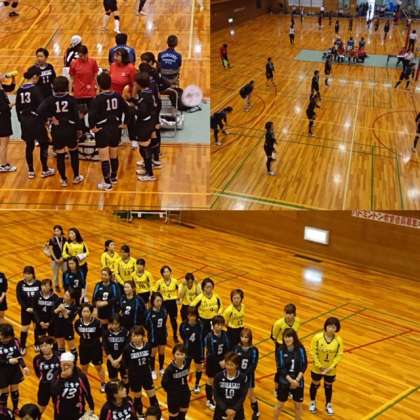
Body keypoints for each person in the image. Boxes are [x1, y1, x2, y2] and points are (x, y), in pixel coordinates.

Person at [37, 76, 84, 187]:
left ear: (54, 87)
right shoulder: (71, 99)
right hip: (70, 129)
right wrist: (79, 129)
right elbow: (77, 117)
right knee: (73, 153)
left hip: (57, 130)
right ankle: (76, 176)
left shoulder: (50, 99)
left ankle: (63, 179)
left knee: (60, 155)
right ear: (66, 86)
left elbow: (39, 110)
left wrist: (50, 117)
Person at [89, 72, 129, 190]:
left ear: (98, 85)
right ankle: (113, 177)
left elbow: (91, 115)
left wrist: (92, 127)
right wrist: (125, 123)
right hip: (115, 128)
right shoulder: (117, 95)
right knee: (114, 154)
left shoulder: (97, 99)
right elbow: (128, 110)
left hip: (102, 130)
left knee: (104, 157)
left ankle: (107, 183)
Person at [16, 66, 54, 179]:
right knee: (44, 144)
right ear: (34, 77)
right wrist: (46, 120)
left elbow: (17, 107)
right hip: (36, 121)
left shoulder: (20, 89)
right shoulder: (35, 89)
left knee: (29, 145)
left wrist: (21, 119)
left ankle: (31, 171)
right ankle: (45, 169)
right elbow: (42, 106)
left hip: (25, 121)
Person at [122, 325, 160, 417]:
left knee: (153, 397)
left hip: (146, 375)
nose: (136, 338)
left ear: (142, 336)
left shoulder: (147, 346)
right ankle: (139, 414)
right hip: (134, 377)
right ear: (131, 337)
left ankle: (156, 415)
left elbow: (150, 358)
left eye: (138, 335)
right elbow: (125, 365)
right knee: (137, 398)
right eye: (134, 336)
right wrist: (127, 376)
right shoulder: (127, 349)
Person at [309, 317, 343, 416]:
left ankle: (328, 404)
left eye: (334, 327)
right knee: (315, 384)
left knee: (328, 386)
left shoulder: (338, 340)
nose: (331, 329)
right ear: (325, 326)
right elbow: (313, 351)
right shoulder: (317, 337)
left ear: (337, 328)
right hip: (317, 368)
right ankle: (312, 402)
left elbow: (339, 355)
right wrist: (319, 365)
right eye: (329, 326)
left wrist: (331, 367)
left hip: (330, 369)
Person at [274, 328, 307, 420]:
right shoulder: (280, 350)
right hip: (284, 381)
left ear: (294, 338)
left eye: (289, 337)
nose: (287, 339)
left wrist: (296, 380)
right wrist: (291, 381)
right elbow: (281, 368)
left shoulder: (300, 348)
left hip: (298, 380)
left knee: (298, 406)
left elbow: (304, 364)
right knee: (279, 405)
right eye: (285, 337)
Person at [51, 352, 94, 420]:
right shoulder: (57, 375)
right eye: (63, 365)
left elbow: (87, 393)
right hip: (61, 413)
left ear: (74, 364)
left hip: (78, 412)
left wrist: (92, 408)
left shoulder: (81, 377)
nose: (66, 367)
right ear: (60, 364)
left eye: (69, 365)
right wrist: (62, 379)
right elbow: (53, 392)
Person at [74, 303, 106, 392]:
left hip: (95, 347)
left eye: (87, 311)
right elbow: (78, 332)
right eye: (84, 311)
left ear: (90, 312)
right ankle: (84, 384)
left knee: (98, 366)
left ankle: (103, 383)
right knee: (84, 367)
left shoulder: (97, 323)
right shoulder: (77, 323)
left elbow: (101, 334)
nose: (85, 313)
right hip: (83, 347)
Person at [133, 72, 159, 182]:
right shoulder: (148, 92)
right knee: (145, 147)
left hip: (144, 124)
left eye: (135, 82)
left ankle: (150, 174)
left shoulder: (145, 96)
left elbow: (141, 112)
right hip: (150, 121)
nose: (134, 84)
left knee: (144, 149)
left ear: (139, 84)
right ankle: (147, 169)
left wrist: (132, 109)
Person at [0, 323, 29, 415]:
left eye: (4, 337)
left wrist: (24, 366)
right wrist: (8, 361)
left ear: (10, 336)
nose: (2, 338)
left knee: (15, 390)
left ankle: (15, 408)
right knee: (4, 392)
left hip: (14, 370)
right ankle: (3, 410)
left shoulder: (15, 341)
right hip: (2, 371)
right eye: (1, 336)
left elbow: (19, 356)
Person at [204, 315, 230, 411]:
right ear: (213, 325)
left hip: (223, 361)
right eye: (217, 325)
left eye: (221, 325)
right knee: (210, 380)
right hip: (212, 362)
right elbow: (210, 353)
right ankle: (209, 400)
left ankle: (219, 397)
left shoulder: (225, 335)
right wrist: (219, 362)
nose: (219, 327)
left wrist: (225, 360)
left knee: (221, 379)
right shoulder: (209, 337)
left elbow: (228, 348)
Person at [233, 328, 259, 420]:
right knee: (238, 395)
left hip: (249, 376)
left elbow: (254, 364)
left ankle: (256, 412)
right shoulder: (237, 348)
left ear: (250, 338)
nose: (244, 339)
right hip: (238, 375)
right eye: (242, 337)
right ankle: (239, 414)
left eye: (246, 337)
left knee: (250, 395)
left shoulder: (254, 350)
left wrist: (245, 374)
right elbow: (234, 361)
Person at [213, 352, 248, 420]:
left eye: (231, 365)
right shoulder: (218, 376)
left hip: (237, 410)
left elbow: (242, 396)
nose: (228, 367)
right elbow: (216, 395)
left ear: (237, 365)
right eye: (227, 364)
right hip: (221, 409)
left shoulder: (242, 378)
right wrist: (225, 409)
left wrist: (234, 409)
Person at [16, 266, 41, 354]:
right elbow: (19, 298)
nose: (26, 276)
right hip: (25, 311)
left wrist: (35, 308)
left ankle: (37, 343)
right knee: (24, 328)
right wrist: (26, 308)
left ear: (33, 274)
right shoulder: (20, 284)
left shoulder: (38, 283)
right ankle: (22, 346)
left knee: (37, 327)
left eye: (29, 274)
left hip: (36, 310)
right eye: (25, 274)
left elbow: (41, 296)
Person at [162, 344, 191, 420]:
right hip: (174, 396)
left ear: (185, 355)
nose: (180, 357)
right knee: (173, 417)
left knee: (182, 415)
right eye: (177, 354)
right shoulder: (170, 369)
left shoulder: (187, 363)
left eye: (182, 354)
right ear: (173, 355)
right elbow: (164, 383)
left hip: (185, 392)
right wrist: (172, 391)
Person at [33, 336, 61, 414]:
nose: (43, 348)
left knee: (58, 408)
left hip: (57, 386)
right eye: (41, 346)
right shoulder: (37, 359)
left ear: (51, 345)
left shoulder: (59, 356)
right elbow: (37, 372)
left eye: (45, 345)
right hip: (44, 386)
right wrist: (43, 379)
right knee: (40, 408)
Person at [179, 307, 204, 394]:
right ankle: (184, 385)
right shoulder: (183, 325)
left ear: (196, 316)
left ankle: (197, 384)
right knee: (186, 368)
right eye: (190, 315)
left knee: (199, 368)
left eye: (194, 315)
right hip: (187, 351)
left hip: (198, 350)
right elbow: (182, 335)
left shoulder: (200, 324)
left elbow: (202, 337)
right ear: (187, 316)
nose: (192, 317)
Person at [145, 292, 168, 380]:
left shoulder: (164, 311)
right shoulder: (149, 313)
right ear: (153, 302)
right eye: (157, 301)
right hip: (153, 336)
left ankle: (161, 368)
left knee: (161, 352)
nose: (159, 303)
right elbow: (146, 324)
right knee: (153, 353)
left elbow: (164, 322)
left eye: (160, 301)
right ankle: (152, 370)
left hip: (162, 335)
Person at [69, 45, 99, 113]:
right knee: (80, 114)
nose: (82, 58)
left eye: (84, 56)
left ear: (87, 53)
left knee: (92, 113)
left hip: (90, 93)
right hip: (79, 93)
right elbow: (71, 78)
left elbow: (95, 76)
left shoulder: (93, 62)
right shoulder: (74, 63)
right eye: (80, 56)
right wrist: (70, 91)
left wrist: (98, 88)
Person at [153, 265, 179, 342]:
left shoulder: (175, 281)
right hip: (164, 304)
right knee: (162, 320)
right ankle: (162, 335)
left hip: (173, 304)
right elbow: (154, 292)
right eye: (164, 272)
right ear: (162, 274)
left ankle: (175, 335)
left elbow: (180, 291)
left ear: (170, 272)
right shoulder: (159, 282)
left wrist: (178, 299)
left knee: (173, 321)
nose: (166, 273)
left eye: (168, 271)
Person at [33, 278, 59, 350]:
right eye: (42, 286)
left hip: (51, 323)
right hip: (40, 322)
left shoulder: (55, 297)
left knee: (53, 339)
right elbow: (35, 310)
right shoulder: (37, 295)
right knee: (41, 339)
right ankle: (41, 351)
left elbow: (55, 313)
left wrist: (49, 323)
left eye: (46, 286)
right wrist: (39, 322)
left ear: (50, 287)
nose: (44, 288)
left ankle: (55, 351)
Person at [103, 314, 129, 382]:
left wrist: (118, 360)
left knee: (126, 381)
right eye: (112, 324)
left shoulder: (125, 332)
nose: (114, 326)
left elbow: (126, 348)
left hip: (123, 361)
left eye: (116, 324)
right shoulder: (106, 333)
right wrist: (112, 361)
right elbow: (106, 349)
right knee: (113, 381)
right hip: (111, 361)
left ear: (120, 323)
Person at [52, 289, 78, 357]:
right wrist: (58, 309)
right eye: (65, 294)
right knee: (60, 348)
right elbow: (52, 313)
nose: (65, 296)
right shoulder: (59, 300)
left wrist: (64, 312)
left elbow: (69, 321)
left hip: (68, 329)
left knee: (72, 348)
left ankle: (74, 361)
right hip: (58, 327)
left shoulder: (74, 307)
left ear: (72, 298)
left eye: (67, 296)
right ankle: (62, 361)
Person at [0, 71, 16, 173]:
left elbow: (11, 88)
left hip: (4, 118)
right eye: (0, 75)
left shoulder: (1, 87)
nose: (3, 75)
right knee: (4, 143)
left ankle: (3, 163)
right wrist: (13, 104)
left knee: (3, 143)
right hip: (2, 120)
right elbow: (3, 108)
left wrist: (13, 78)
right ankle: (3, 165)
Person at [47, 225, 66, 293]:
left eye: (58, 231)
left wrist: (62, 258)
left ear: (61, 231)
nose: (56, 232)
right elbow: (51, 250)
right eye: (55, 231)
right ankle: (56, 286)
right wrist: (55, 259)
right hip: (55, 260)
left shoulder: (64, 239)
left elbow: (66, 249)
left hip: (63, 260)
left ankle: (65, 285)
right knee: (55, 274)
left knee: (65, 273)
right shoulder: (52, 240)